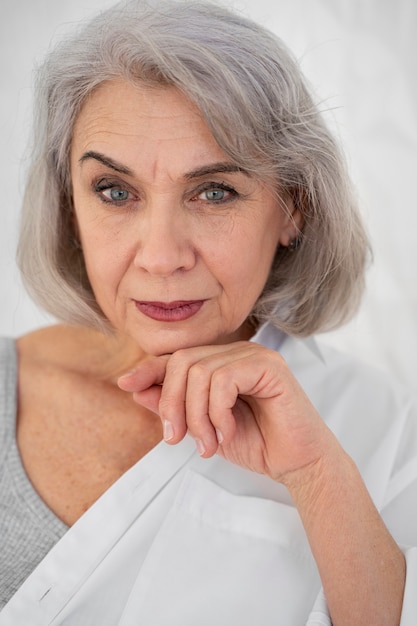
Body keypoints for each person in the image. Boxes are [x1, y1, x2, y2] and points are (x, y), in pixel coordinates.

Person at [1, 0, 417, 623]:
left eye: (214, 192)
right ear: (68, 207)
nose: (162, 256)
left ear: (293, 209)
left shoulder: (379, 422)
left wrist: (315, 475)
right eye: (115, 192)